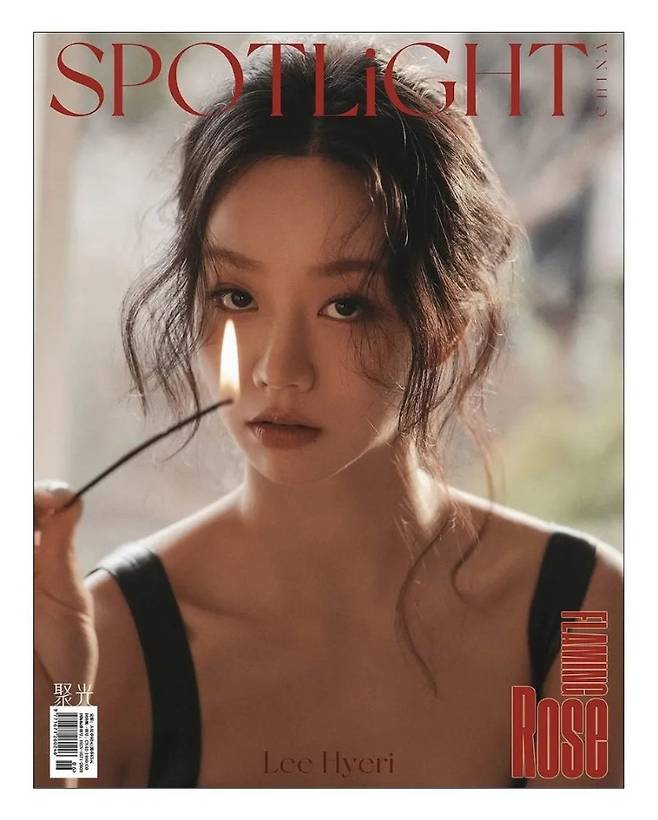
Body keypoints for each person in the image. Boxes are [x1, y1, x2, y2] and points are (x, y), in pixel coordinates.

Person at [34, 41, 623, 788]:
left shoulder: (575, 619)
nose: (279, 369)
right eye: (237, 297)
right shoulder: (107, 635)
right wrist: (60, 698)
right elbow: (66, 781)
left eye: (346, 305)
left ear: (443, 324)